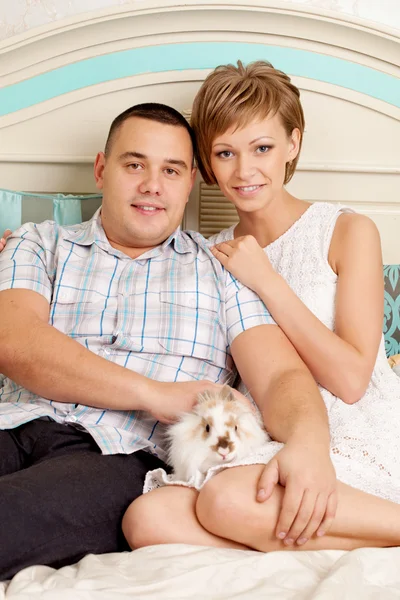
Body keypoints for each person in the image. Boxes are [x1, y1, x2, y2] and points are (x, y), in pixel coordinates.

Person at [0, 102, 336, 580]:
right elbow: (15, 342)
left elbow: (281, 374)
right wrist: (155, 393)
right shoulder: (38, 242)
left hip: (113, 455)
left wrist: (308, 444)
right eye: (134, 164)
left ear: (192, 181)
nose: (152, 185)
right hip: (11, 419)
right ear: (102, 169)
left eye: (171, 170)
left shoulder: (223, 268)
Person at [122, 61, 400, 553]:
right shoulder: (207, 253)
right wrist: (30, 243)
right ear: (206, 163)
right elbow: (133, 280)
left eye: (263, 148)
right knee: (147, 519)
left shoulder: (346, 231)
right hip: (268, 433)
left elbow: (354, 380)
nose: (244, 171)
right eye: (225, 153)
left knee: (225, 501)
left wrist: (267, 282)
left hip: (354, 429)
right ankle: (328, 536)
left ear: (292, 144)